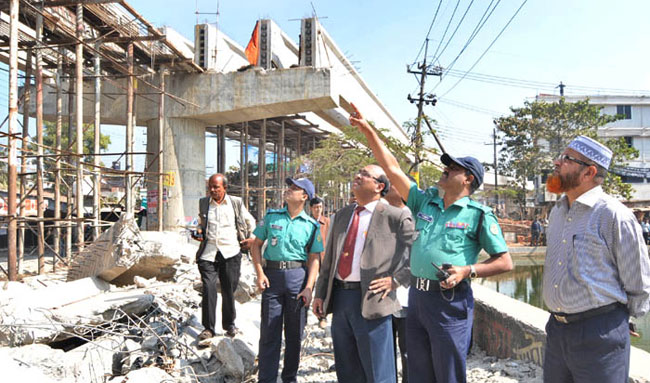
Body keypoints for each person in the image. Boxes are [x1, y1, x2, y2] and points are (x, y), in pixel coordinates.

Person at [349, 103, 513, 383]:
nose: (445, 169)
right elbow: (391, 167)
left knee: (448, 372)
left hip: (450, 302)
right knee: (418, 372)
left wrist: (466, 271)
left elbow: (504, 261)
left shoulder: (478, 215)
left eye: (452, 168)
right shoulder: (425, 200)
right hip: (419, 298)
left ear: (468, 179)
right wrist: (368, 131)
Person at [542, 135, 650, 383]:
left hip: (599, 334)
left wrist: (620, 319)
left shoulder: (613, 215)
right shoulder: (557, 212)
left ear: (589, 172)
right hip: (557, 331)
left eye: (566, 159)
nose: (557, 163)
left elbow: (639, 283)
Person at [313, 165, 414, 383]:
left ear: (379, 186)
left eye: (365, 175)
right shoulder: (343, 215)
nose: (358, 176)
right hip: (341, 299)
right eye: (357, 172)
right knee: (347, 369)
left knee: (378, 373)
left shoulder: (394, 217)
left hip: (373, 300)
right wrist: (320, 294)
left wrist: (397, 280)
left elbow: (418, 253)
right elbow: (329, 260)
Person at [251, 177, 324, 383]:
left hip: (297, 279)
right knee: (269, 332)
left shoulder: (311, 226)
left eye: (294, 188)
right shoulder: (272, 217)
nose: (288, 190)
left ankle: (289, 378)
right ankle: (267, 379)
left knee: (294, 335)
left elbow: (314, 259)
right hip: (272, 277)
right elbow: (255, 245)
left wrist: (309, 287)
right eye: (289, 187)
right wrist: (259, 273)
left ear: (305, 196)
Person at [193, 174, 256, 344]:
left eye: (216, 187)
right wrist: (198, 231)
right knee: (208, 288)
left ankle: (229, 324)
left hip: (230, 252)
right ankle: (208, 328)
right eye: (210, 187)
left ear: (225, 188)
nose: (212, 190)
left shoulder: (235, 203)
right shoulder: (204, 203)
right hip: (209, 253)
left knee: (229, 290)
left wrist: (251, 238)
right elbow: (200, 223)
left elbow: (251, 222)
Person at [384, 184, 412, 383]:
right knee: (385, 351)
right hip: (382, 296)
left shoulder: (414, 218)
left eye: (393, 184)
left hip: (406, 296)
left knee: (408, 350)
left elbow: (416, 258)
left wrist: (397, 280)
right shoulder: (382, 215)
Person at [309, 196, 330, 329]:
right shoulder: (307, 222)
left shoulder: (327, 222)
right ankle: (303, 314)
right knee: (308, 285)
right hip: (309, 259)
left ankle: (323, 316)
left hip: (324, 258)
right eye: (316, 207)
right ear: (311, 208)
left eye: (320, 207)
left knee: (324, 288)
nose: (318, 210)